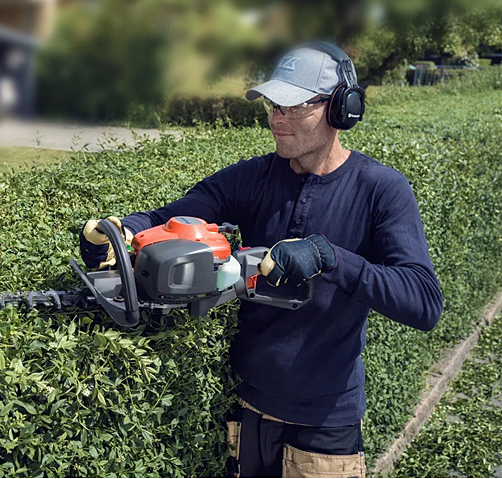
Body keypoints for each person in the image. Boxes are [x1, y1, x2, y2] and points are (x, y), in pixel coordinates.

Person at [79, 42, 443, 478]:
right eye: (273, 106)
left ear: (340, 108)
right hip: (247, 411)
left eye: (293, 107)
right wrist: (123, 231)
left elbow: (424, 303)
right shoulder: (253, 177)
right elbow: (175, 216)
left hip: (326, 424)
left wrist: (331, 258)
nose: (276, 119)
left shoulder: (380, 190)